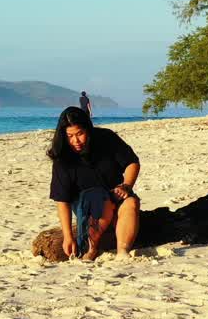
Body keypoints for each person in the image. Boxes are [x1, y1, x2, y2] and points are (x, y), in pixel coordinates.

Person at [47, 106, 140, 260]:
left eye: (80, 134)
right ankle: (90, 249)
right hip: (88, 204)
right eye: (69, 136)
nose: (75, 141)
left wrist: (127, 185)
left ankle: (122, 251)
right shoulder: (62, 158)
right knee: (99, 198)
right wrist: (68, 236)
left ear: (88, 129)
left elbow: (132, 162)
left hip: (116, 195)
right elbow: (61, 199)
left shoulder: (106, 138)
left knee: (131, 202)